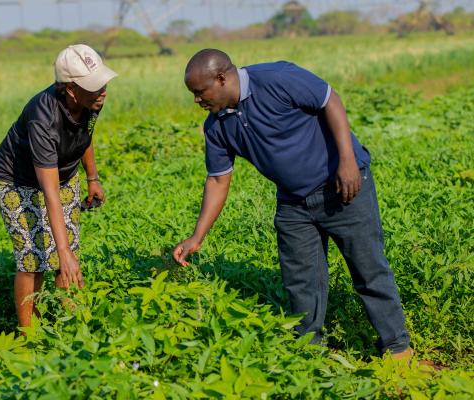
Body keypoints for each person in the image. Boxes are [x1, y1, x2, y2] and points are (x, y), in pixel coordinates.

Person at [173, 48, 413, 359]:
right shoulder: (216, 126)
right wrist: (197, 236)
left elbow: (330, 100)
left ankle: (396, 347)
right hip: (293, 202)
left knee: (368, 269)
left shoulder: (276, 78)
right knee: (301, 281)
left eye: (199, 92)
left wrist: (348, 161)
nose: (196, 100)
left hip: (342, 187)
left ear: (220, 79)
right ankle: (308, 355)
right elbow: (218, 180)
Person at [0, 44, 117, 328]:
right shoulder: (43, 117)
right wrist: (61, 250)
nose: (104, 91)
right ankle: (29, 335)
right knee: (32, 258)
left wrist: (92, 177)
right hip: (18, 181)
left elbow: (84, 135)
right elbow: (48, 191)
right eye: (96, 86)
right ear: (71, 89)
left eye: (103, 83)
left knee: (69, 254)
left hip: (64, 172)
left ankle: (72, 328)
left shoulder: (92, 99)